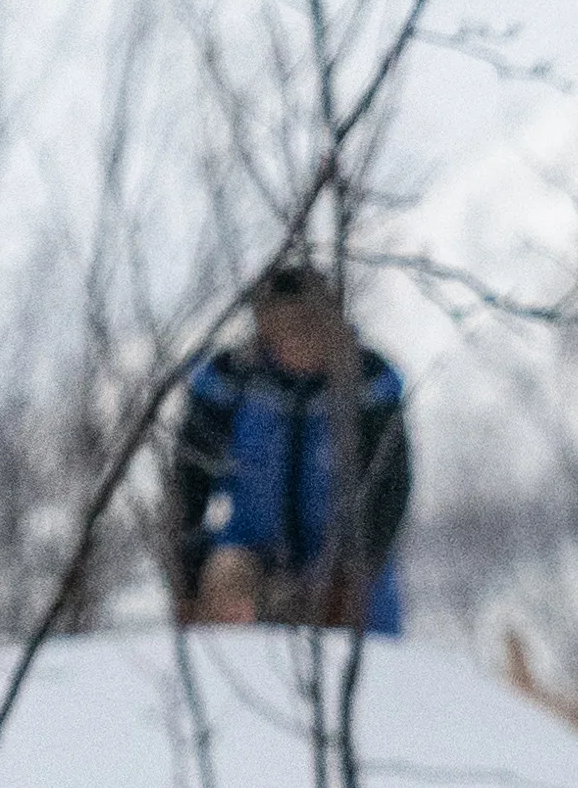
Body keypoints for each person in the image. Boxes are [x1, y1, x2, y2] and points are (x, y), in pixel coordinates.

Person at [168, 259, 413, 634]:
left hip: (342, 556)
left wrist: (359, 562)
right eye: (282, 327)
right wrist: (187, 568)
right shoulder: (230, 379)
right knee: (224, 584)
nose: (296, 340)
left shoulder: (368, 384)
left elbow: (390, 487)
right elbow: (190, 479)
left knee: (370, 616)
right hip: (251, 550)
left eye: (308, 326)